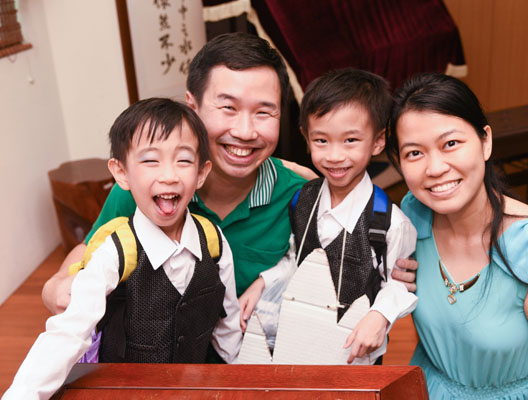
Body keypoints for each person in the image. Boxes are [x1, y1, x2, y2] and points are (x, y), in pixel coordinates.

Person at [42, 33, 418, 317]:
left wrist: (393, 275)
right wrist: (57, 284)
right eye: (228, 107)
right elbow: (93, 246)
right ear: (192, 106)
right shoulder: (152, 186)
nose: (244, 131)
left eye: (263, 112)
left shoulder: (300, 196)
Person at [3, 98, 242, 400]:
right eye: (150, 160)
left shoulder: (214, 241)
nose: (169, 175)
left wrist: (241, 378)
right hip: (125, 391)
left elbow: (228, 323)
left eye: (183, 160)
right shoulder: (115, 250)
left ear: (202, 173)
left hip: (190, 388)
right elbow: (69, 331)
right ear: (121, 173)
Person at [386, 72, 528, 399]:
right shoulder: (413, 216)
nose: (435, 168)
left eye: (450, 144)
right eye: (414, 153)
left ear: (485, 141)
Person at [239, 68, 418, 364]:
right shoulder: (302, 200)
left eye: (350, 141)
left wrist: (380, 316)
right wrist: (263, 282)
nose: (334, 155)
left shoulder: (389, 222)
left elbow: (398, 282)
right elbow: (295, 259)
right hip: (302, 339)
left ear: (377, 141)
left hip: (357, 352)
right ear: (306, 139)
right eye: (321, 141)